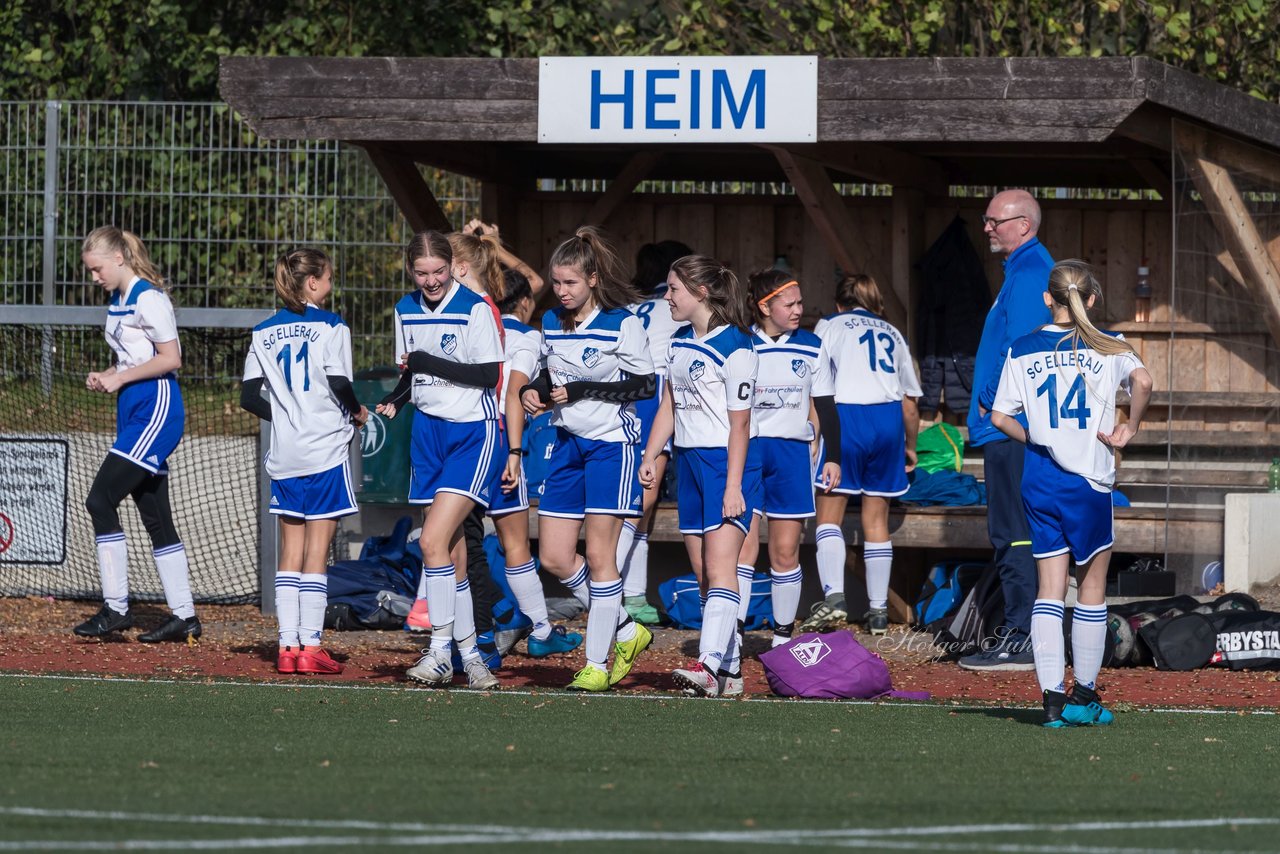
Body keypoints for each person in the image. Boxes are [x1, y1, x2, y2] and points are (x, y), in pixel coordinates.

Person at [989, 259, 1152, 726]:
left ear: (1048, 298)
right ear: (1093, 298)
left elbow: (1000, 417)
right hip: (1088, 481)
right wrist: (1130, 427)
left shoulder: (1022, 349)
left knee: (1048, 589)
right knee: (1092, 587)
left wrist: (1037, 440)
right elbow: (1143, 381)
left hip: (1040, 478)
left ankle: (1051, 700)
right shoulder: (1111, 345)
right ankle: (1084, 696)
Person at [520, 227, 656, 692]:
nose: (561, 292)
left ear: (593, 279)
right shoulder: (551, 322)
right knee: (555, 556)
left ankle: (596, 663)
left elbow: (644, 386)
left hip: (611, 446)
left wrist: (580, 390)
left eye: (570, 283)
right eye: (556, 283)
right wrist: (531, 393)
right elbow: (545, 375)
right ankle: (624, 628)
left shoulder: (623, 322)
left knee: (600, 556)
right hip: (567, 443)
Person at [377, 230, 505, 690]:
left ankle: (438, 653)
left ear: (453, 266)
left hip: (472, 432)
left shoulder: (474, 308)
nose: (431, 281)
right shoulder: (405, 309)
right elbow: (413, 370)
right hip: (427, 434)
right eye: (422, 273)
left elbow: (489, 374)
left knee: (431, 541)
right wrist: (397, 397)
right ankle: (471, 657)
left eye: (439, 271)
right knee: (451, 553)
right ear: (411, 271)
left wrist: (429, 363)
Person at [240, 249, 368, 674]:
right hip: (325, 448)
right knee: (318, 552)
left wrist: (289, 417)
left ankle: (286, 648)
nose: (331, 285)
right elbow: (338, 380)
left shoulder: (262, 331)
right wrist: (357, 411)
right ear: (312, 282)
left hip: (287, 452)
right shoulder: (332, 326)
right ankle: (311, 647)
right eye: (328, 278)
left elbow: (247, 397)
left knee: (289, 550)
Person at [639, 255, 761, 698]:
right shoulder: (676, 341)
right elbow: (668, 406)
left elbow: (741, 425)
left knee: (720, 565)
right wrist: (651, 454)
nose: (667, 297)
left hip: (727, 464)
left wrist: (733, 485)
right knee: (704, 574)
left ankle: (708, 664)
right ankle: (729, 672)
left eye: (673, 289)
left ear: (701, 293)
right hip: (689, 463)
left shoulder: (738, 347)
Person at [74, 226, 201, 643]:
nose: (95, 278)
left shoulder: (149, 297)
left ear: (119, 260)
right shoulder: (118, 299)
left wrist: (122, 376)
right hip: (133, 407)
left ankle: (116, 609)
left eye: (97, 270)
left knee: (99, 499)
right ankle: (184, 616)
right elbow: (133, 356)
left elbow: (171, 359)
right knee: (154, 514)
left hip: (156, 408)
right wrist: (109, 375)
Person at [960, 189, 1054, 671]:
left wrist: (993, 400)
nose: (987, 227)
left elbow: (1022, 348)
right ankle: (1026, 633)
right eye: (986, 219)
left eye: (995, 220)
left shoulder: (1031, 273)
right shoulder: (1021, 271)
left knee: (1013, 533)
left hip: (1010, 429)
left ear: (1024, 225)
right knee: (1014, 532)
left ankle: (1021, 637)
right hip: (1006, 427)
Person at [799, 274, 921, 636]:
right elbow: (910, 404)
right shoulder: (893, 332)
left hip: (846, 417)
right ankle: (879, 612)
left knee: (829, 516)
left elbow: (814, 383)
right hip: (887, 421)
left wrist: (814, 435)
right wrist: (910, 445)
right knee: (876, 520)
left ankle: (834, 598)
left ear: (839, 303)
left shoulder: (830, 325)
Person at [735, 270, 840, 649]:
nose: (799, 310)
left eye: (800, 303)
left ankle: (782, 639)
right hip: (747, 452)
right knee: (743, 548)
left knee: (784, 550)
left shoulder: (811, 345)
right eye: (790, 304)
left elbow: (826, 405)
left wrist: (834, 457)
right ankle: (733, 633)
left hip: (792, 454)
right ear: (765, 307)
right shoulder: (740, 343)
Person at [489, 270, 583, 658]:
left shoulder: (469, 323)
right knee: (512, 544)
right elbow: (517, 393)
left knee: (453, 546)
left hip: (449, 436)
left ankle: (462, 638)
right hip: (497, 437)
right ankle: (536, 627)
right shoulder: (529, 336)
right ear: (525, 302)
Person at [616, 239, 694, 624]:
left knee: (639, 507)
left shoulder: (631, 308)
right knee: (640, 502)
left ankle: (632, 596)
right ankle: (611, 588)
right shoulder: (675, 309)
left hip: (628, 396)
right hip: (657, 395)